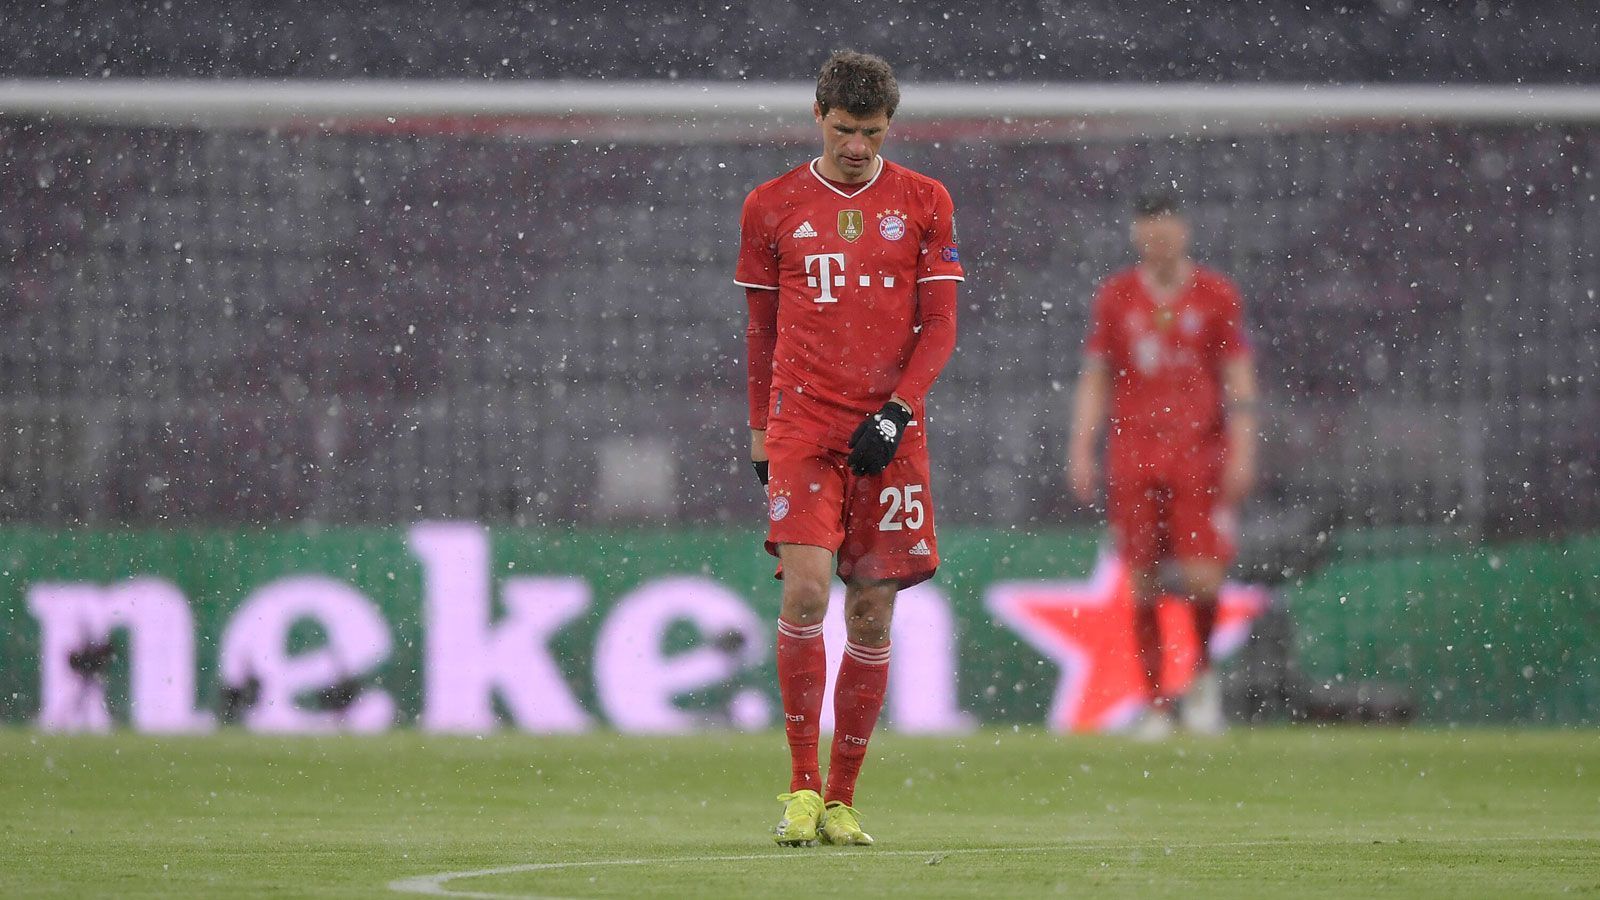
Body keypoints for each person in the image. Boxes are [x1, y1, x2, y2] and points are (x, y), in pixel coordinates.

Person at [735, 49, 964, 846]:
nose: (857, 146)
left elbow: (940, 326)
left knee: (870, 613)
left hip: (890, 432)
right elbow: (762, 328)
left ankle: (842, 799)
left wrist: (899, 412)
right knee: (805, 592)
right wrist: (761, 429)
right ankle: (799, 790)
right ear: (818, 117)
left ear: (889, 125)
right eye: (843, 130)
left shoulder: (927, 202)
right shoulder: (771, 206)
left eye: (871, 132)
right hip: (803, 425)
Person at [1066, 187, 1259, 740]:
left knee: (1203, 576)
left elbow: (1238, 376)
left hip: (1200, 456)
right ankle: (1154, 703)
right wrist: (1082, 444)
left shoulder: (1218, 295)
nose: (1159, 237)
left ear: (1185, 231)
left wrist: (1243, 447)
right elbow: (1097, 375)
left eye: (1168, 226)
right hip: (1133, 456)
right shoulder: (1116, 296)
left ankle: (1199, 679)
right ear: (1136, 234)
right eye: (1149, 227)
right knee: (1144, 579)